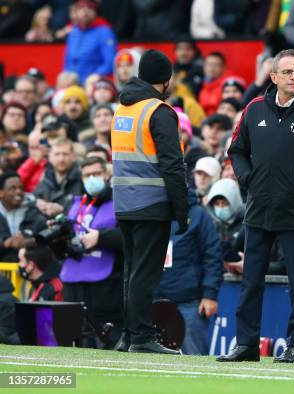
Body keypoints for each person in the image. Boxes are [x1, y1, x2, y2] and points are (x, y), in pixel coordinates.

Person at [219, 49, 294, 363]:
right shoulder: (254, 108)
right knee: (250, 281)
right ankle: (245, 345)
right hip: (258, 209)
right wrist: (246, 178)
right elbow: (237, 150)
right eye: (288, 72)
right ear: (273, 77)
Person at [111, 49, 189, 355]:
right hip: (152, 203)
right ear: (166, 80)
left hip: (125, 203)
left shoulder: (122, 110)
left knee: (131, 271)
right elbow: (172, 164)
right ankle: (141, 337)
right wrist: (181, 210)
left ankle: (128, 335)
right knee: (145, 273)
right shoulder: (159, 111)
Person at [60, 157, 124, 349]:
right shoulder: (74, 204)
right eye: (87, 175)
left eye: (96, 174)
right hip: (74, 283)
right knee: (77, 342)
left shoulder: (120, 201)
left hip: (105, 286)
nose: (92, 179)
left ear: (106, 174)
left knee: (107, 343)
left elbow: (132, 238)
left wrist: (101, 237)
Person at [155, 188, 224, 355]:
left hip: (188, 303)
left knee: (194, 360)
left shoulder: (198, 215)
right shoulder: (150, 213)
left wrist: (210, 295)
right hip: (153, 302)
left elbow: (213, 255)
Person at [63, 0, 117, 83]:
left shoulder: (105, 32)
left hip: (95, 83)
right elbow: (68, 62)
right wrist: (66, 76)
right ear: (76, 11)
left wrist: (97, 75)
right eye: (81, 8)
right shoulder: (73, 32)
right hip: (72, 82)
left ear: (95, 12)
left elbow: (110, 63)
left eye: (90, 8)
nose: (85, 11)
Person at [0, 172, 47, 262]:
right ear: (1, 193)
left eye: (21, 188)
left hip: (31, 266)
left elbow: (44, 238)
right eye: (13, 188)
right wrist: (6, 243)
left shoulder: (34, 211)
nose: (19, 191)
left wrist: (29, 241)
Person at [34, 138, 84, 217]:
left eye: (65, 154)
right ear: (50, 156)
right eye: (57, 154)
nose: (61, 159)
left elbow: (87, 211)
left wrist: (63, 210)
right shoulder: (44, 181)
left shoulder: (82, 180)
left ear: (73, 156)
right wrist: (37, 205)